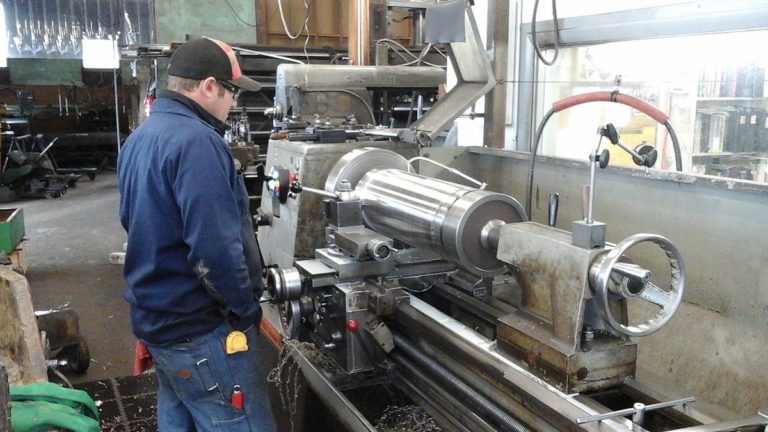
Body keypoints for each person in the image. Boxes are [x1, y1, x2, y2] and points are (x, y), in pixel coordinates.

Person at [117, 37, 276, 431]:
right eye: (232, 92)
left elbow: (132, 222)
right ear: (208, 86)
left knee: (180, 414)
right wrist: (245, 311)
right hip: (201, 330)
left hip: (158, 320)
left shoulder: (141, 137)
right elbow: (214, 252)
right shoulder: (198, 143)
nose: (234, 103)